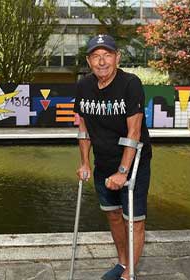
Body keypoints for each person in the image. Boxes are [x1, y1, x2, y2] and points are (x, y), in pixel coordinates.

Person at [73, 34, 152, 280]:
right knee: (113, 214)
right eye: (96, 56)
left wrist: (122, 171)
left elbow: (134, 131)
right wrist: (85, 162)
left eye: (107, 55)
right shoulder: (84, 86)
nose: (102, 61)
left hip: (133, 163)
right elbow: (83, 128)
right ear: (89, 61)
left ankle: (128, 274)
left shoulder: (130, 84)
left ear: (117, 57)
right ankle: (122, 262)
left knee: (134, 219)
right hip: (103, 161)